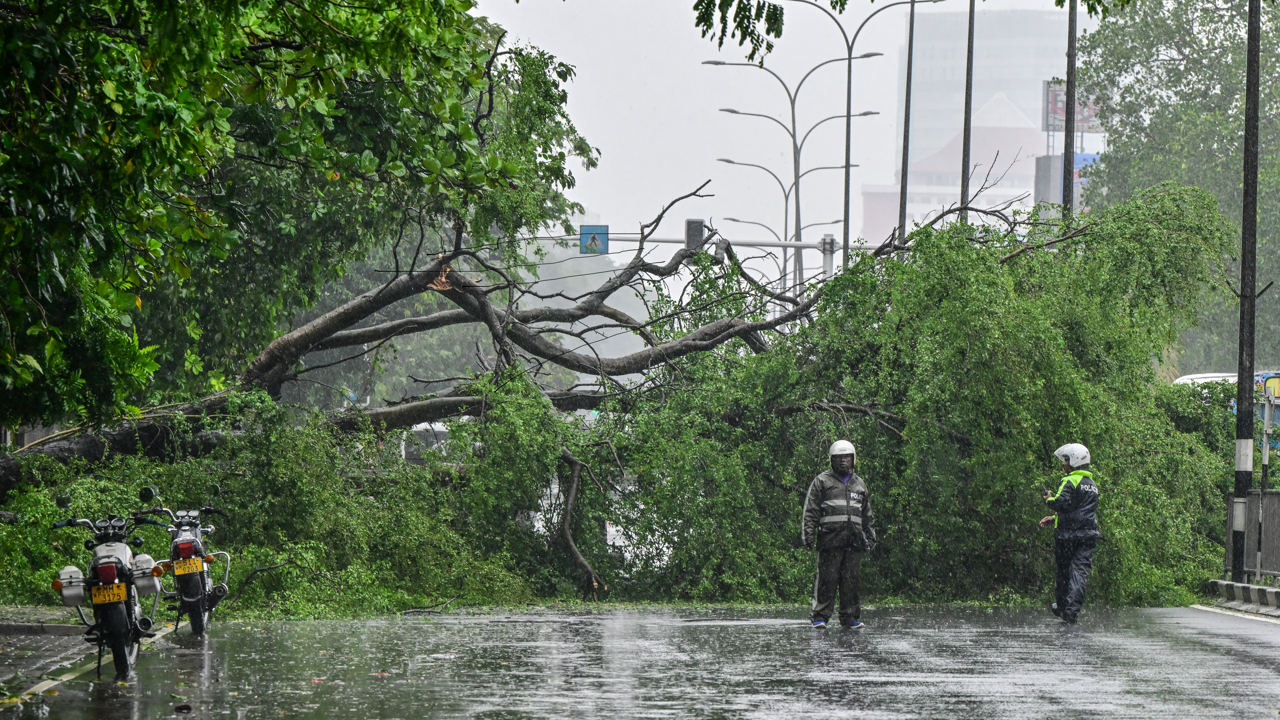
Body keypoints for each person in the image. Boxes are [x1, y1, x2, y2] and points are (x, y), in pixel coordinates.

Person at [802, 440, 876, 629]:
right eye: (839, 458)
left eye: (847, 457)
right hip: (830, 540)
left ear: (853, 459)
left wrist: (871, 537)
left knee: (851, 581)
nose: (843, 461)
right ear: (832, 460)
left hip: (853, 542)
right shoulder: (822, 481)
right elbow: (811, 511)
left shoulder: (859, 484)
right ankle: (820, 617)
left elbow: (867, 514)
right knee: (827, 580)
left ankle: (850, 617)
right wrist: (808, 535)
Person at [1039, 442, 1101, 624]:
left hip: (1067, 536)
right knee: (1080, 573)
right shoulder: (1092, 485)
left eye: (1066, 460)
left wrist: (1049, 499)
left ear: (1075, 460)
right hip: (1088, 536)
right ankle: (1072, 611)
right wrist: (1054, 518)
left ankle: (1062, 607)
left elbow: (1062, 503)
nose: (1063, 463)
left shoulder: (1070, 480)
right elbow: (1080, 512)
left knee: (1064, 573)